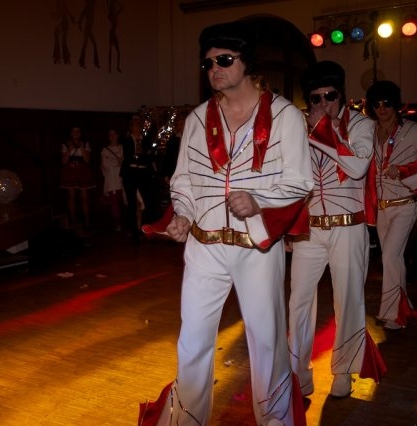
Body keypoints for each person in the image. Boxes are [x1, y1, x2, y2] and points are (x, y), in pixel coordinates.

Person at [138, 20, 313, 426]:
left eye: (224, 60)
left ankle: (276, 420)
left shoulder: (285, 115)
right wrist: (182, 213)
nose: (214, 69)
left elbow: (300, 182)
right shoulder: (199, 118)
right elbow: (184, 180)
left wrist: (259, 201)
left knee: (267, 340)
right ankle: (185, 420)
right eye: (208, 63)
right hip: (204, 245)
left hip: (257, 248)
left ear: (247, 62)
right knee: (192, 340)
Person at [287, 61, 386, 400]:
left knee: (348, 299)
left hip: (349, 226)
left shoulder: (361, 124)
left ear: (341, 95)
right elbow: (294, 180)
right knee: (298, 301)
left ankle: (343, 370)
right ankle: (298, 373)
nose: (323, 104)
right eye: (316, 98)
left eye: (330, 96)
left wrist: (322, 132)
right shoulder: (299, 128)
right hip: (310, 229)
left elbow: (357, 166)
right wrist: (289, 226)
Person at [364, 80, 417, 330]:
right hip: (382, 206)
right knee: (393, 258)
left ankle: (395, 314)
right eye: (377, 104)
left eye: (387, 103)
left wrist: (406, 171)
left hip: (407, 202)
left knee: (390, 255)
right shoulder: (370, 130)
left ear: (395, 104)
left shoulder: (411, 130)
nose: (382, 108)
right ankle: (400, 308)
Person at [121, 116, 158, 244]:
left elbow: (150, 156)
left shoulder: (146, 140)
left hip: (144, 173)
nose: (137, 128)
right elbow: (128, 158)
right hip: (130, 174)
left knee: (148, 201)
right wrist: (139, 158)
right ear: (131, 128)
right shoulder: (126, 141)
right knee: (132, 203)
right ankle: (134, 232)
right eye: (135, 126)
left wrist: (140, 158)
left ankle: (147, 229)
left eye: (139, 125)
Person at [58, 126, 95, 229]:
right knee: (71, 197)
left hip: (82, 171)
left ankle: (87, 222)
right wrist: (70, 149)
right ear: (70, 133)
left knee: (84, 198)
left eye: (78, 131)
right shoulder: (65, 144)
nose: (76, 133)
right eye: (74, 131)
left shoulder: (85, 144)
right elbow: (63, 161)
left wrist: (81, 148)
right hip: (70, 171)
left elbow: (87, 160)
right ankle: (74, 221)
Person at [100, 128, 124, 231]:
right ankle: (117, 223)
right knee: (114, 202)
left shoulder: (123, 148)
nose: (112, 136)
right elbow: (105, 165)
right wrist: (116, 162)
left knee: (124, 200)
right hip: (111, 180)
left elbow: (124, 162)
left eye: (114, 134)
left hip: (122, 178)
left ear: (118, 135)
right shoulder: (105, 150)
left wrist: (116, 162)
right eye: (110, 134)